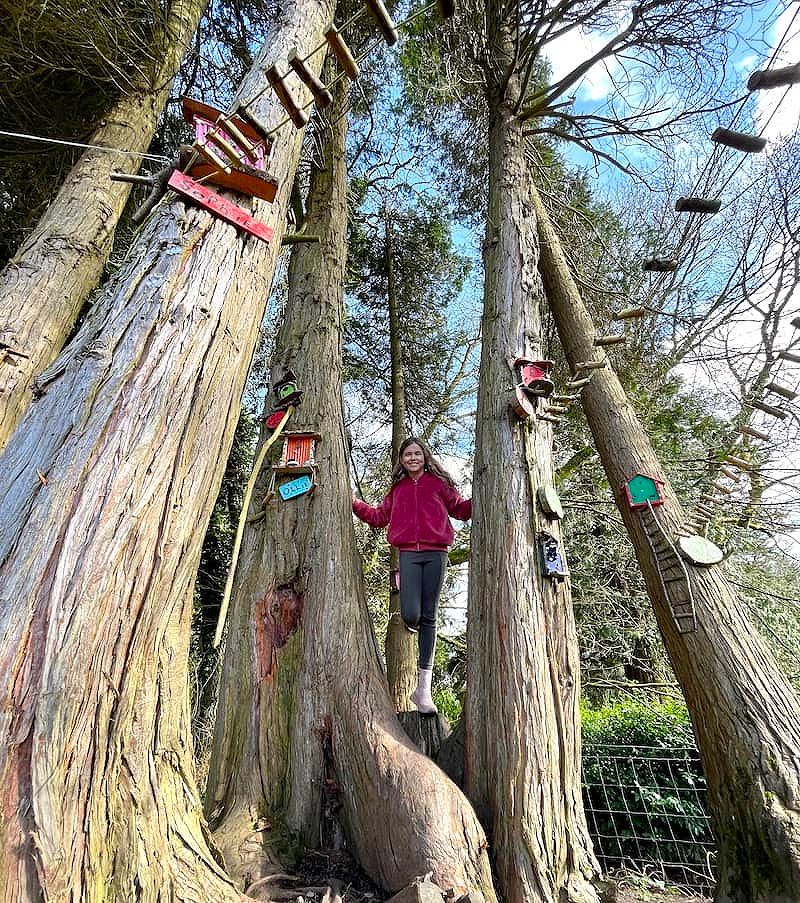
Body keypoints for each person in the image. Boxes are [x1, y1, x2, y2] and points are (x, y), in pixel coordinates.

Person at [352, 437, 471, 715]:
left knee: (429, 616)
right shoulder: (399, 489)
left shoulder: (439, 484)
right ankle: (403, 585)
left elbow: (461, 510)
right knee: (410, 615)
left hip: (436, 553)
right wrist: (355, 503)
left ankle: (423, 690)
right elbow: (379, 517)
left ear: (425, 456)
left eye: (417, 453)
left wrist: (485, 494)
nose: (413, 458)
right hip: (408, 553)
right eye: (408, 454)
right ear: (402, 460)